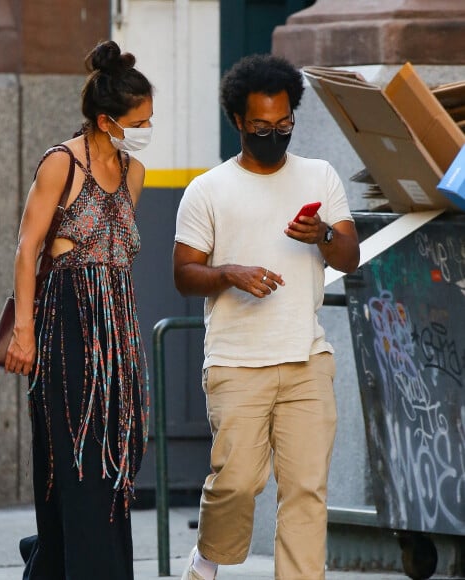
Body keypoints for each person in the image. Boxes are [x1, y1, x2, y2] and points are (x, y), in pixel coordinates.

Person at [174, 54, 360, 580]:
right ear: (238, 121)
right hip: (236, 361)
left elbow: (350, 256)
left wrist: (324, 235)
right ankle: (209, 556)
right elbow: (184, 274)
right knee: (236, 482)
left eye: (284, 126)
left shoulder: (319, 175)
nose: (273, 135)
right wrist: (228, 272)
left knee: (305, 490)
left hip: (306, 357)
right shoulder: (207, 189)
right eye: (261, 127)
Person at [4, 40, 153, 580]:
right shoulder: (60, 164)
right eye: (140, 121)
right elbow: (27, 248)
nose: (146, 130)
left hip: (119, 325)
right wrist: (24, 334)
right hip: (67, 320)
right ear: (107, 119)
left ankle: (58, 563)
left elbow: (119, 253)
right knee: (77, 463)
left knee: (116, 460)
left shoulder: (134, 173)